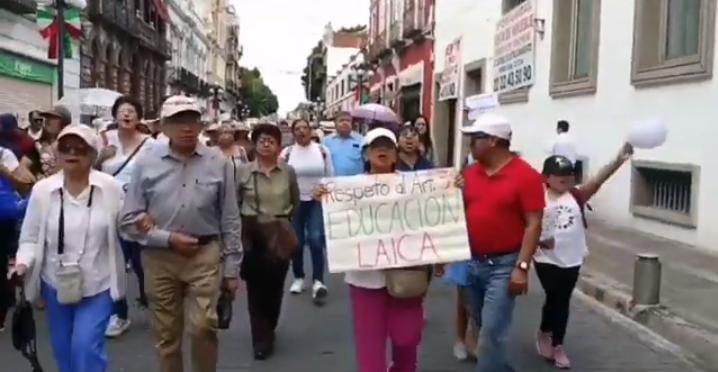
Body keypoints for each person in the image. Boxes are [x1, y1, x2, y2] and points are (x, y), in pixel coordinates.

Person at [118, 95, 242, 372]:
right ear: (163, 126)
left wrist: (232, 269)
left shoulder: (219, 162)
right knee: (166, 337)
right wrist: (167, 238)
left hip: (204, 254)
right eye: (177, 121)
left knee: (203, 328)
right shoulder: (146, 163)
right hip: (159, 258)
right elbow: (127, 220)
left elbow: (230, 217)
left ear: (201, 125)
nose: (186, 128)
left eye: (192, 121)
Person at [10, 124, 126, 372]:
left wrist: (143, 225)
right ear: (57, 153)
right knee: (64, 353)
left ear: (93, 153)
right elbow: (30, 236)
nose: (72, 153)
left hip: (98, 283)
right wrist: (22, 263)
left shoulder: (110, 188)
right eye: (66, 147)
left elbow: (127, 227)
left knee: (85, 348)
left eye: (80, 148)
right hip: (56, 284)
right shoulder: (43, 191)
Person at [325, 128, 427, 372]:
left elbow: (435, 218)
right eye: (376, 147)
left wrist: (452, 187)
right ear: (366, 155)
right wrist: (325, 198)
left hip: (407, 276)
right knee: (369, 343)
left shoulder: (416, 185)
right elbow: (339, 224)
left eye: (388, 147)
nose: (382, 151)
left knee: (407, 338)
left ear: (396, 155)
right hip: (365, 279)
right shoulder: (348, 189)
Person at [534, 144, 633, 369]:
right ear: (546, 177)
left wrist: (619, 159)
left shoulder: (577, 196)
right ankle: (544, 332)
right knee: (553, 295)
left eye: (568, 175)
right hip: (545, 258)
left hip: (573, 257)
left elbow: (599, 179)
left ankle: (557, 344)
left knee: (562, 299)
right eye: (558, 176)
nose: (564, 179)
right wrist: (538, 240)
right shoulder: (537, 198)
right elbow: (526, 225)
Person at [460, 113, 545, 372]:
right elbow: (460, 212)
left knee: (491, 332)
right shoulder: (470, 174)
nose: (470, 144)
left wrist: (521, 267)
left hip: (504, 264)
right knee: (481, 324)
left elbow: (534, 224)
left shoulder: (526, 176)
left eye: (475, 138)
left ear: (494, 141)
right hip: (473, 260)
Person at [237, 123, 299, 360]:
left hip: (279, 233)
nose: (265, 144)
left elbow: (295, 201)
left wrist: (283, 222)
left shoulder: (288, 172)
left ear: (278, 146)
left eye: (271, 140)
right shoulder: (243, 171)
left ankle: (270, 324)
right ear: (254, 143)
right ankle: (260, 337)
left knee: (274, 286)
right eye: (261, 140)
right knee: (255, 287)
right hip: (252, 233)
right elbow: (234, 201)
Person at [97, 96, 155, 338]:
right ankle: (119, 314)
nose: (126, 115)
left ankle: (153, 303)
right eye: (122, 111)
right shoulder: (104, 142)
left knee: (144, 265)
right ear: (115, 116)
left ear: (139, 117)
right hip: (111, 211)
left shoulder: (151, 145)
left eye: (131, 111)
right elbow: (90, 171)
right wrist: (101, 157)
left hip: (141, 212)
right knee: (114, 264)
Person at [281, 119, 333, 303]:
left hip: (316, 201)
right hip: (294, 203)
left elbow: (330, 176)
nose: (302, 131)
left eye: (305, 128)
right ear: (293, 132)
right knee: (297, 242)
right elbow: (280, 178)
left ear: (311, 131)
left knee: (316, 239)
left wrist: (326, 194)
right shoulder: (287, 153)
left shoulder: (322, 151)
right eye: (298, 128)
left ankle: (319, 280)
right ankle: (299, 277)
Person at [322, 111, 364, 176]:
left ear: (351, 123)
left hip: (357, 183)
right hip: (333, 183)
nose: (345, 123)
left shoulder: (361, 140)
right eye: (341, 120)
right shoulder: (326, 141)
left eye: (348, 120)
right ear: (335, 124)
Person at [36, 105, 73, 177]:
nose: (47, 120)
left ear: (64, 122)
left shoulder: (69, 146)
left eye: (53, 118)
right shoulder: (38, 144)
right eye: (47, 117)